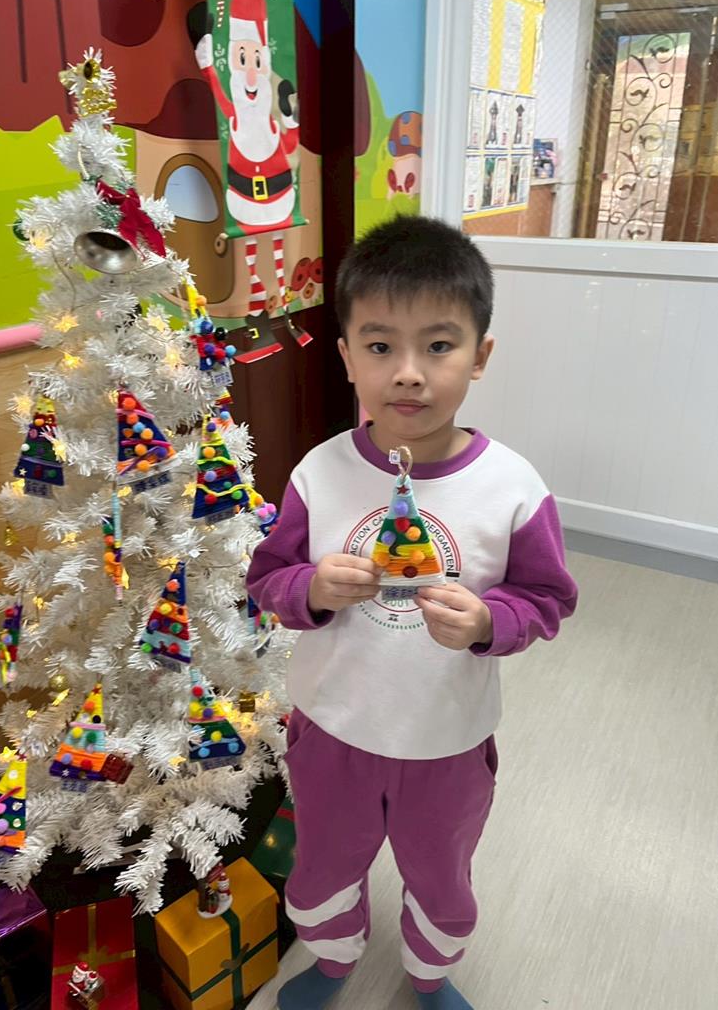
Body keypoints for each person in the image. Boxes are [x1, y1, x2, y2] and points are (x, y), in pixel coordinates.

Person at [247, 215, 578, 1010]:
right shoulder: (318, 472)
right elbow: (268, 580)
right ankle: (332, 960)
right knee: (322, 867)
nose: (407, 374)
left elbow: (547, 599)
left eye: (437, 345)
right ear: (345, 357)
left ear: (479, 356)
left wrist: (489, 620)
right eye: (378, 345)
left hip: (447, 742)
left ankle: (429, 975)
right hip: (332, 730)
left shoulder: (512, 487)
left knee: (441, 877)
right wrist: (311, 589)